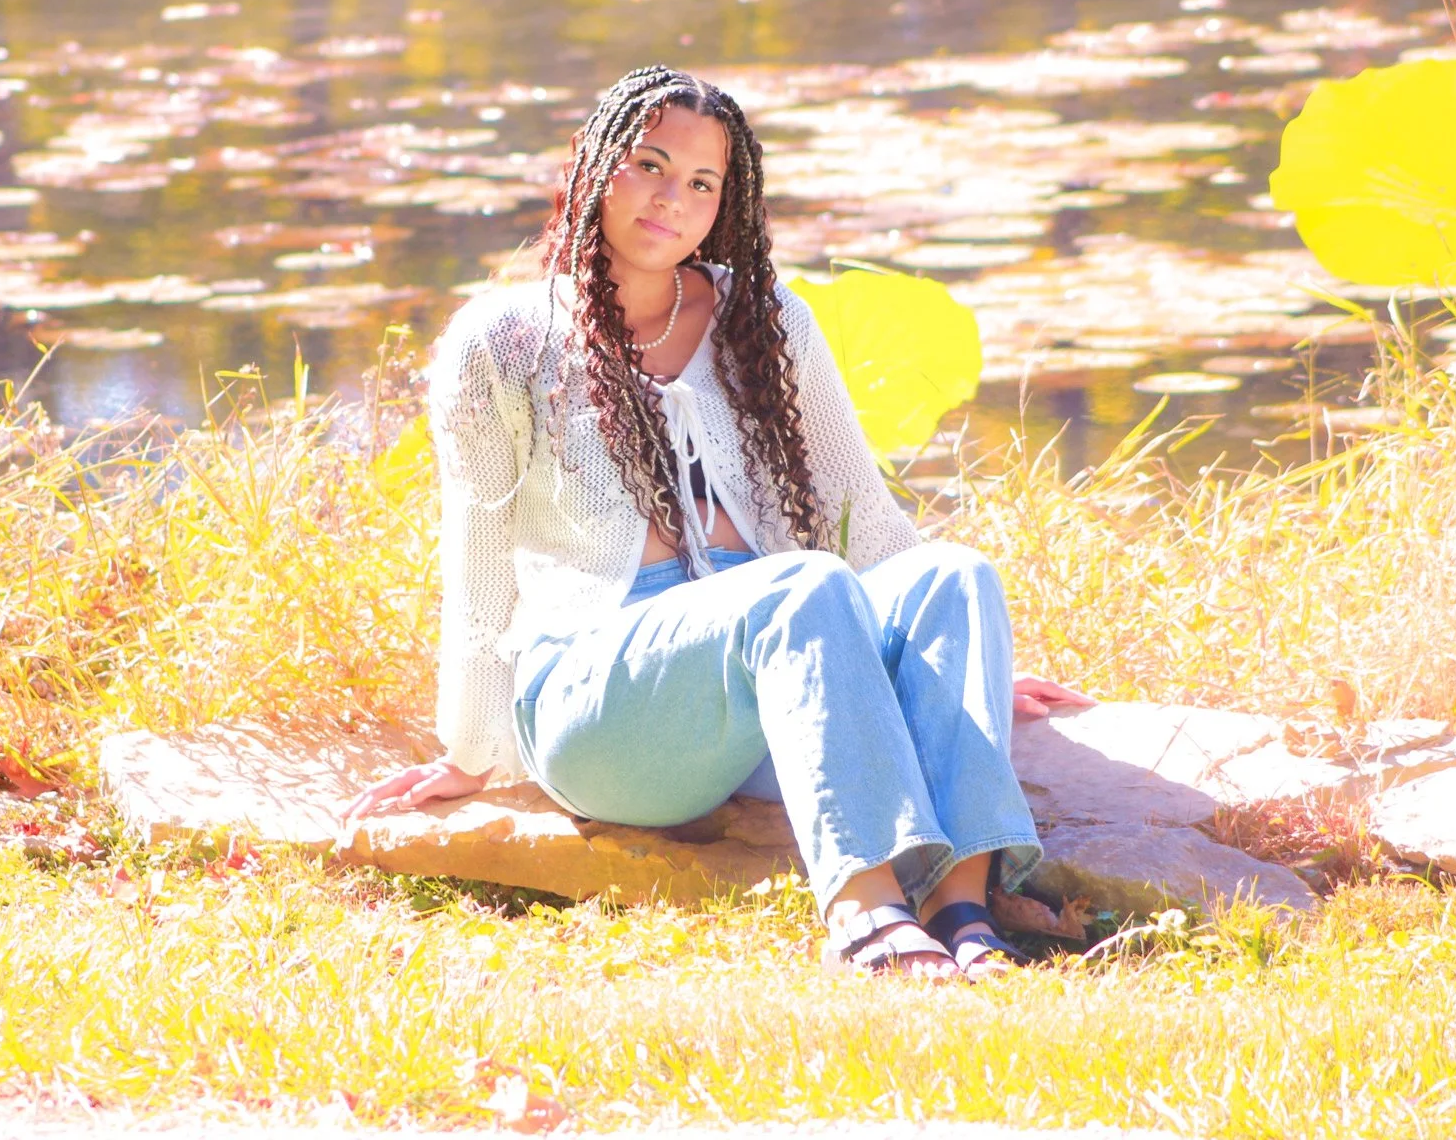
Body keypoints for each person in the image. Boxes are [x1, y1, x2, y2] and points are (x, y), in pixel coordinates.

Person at [344, 65, 1091, 980]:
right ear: (593, 163)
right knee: (802, 585)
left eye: (702, 183)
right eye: (651, 165)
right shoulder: (502, 342)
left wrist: (956, 655)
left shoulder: (764, 320)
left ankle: (961, 904)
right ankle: (864, 913)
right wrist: (470, 751)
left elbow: (865, 514)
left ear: (725, 203)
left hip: (764, 684)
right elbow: (479, 563)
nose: (673, 200)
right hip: (603, 708)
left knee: (957, 574)